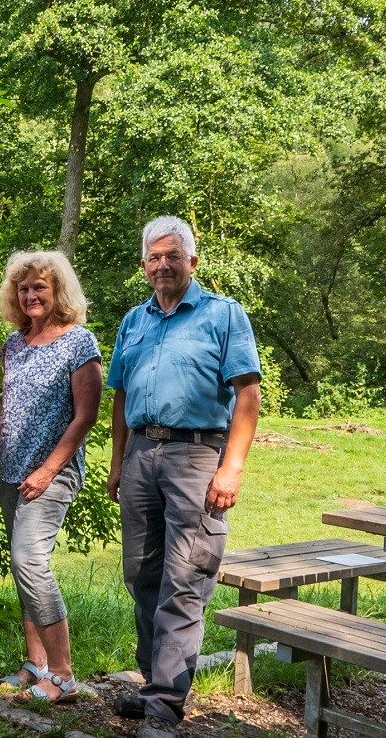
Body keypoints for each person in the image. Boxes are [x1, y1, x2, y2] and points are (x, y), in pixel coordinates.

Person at [106, 216, 261, 738]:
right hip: (141, 453)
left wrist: (231, 468)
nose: (163, 265)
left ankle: (166, 706)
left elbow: (247, 394)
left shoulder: (223, 315)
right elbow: (121, 394)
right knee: (143, 575)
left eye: (173, 255)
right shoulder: (135, 320)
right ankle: (156, 682)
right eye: (154, 256)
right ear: (143, 264)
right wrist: (117, 461)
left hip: (197, 457)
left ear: (192, 261)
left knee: (185, 577)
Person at [0, 251, 101, 705]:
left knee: (31, 562)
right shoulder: (14, 344)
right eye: (24, 288)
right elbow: (6, 412)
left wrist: (48, 469)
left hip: (52, 474)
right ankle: (35, 664)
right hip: (13, 473)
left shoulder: (79, 342)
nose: (31, 295)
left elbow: (86, 416)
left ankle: (63, 676)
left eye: (40, 287)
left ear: (58, 292)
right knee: (22, 570)